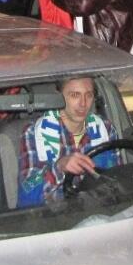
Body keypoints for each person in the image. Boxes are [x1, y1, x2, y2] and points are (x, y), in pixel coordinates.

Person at [17, 77, 121, 207]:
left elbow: (116, 178)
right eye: (75, 95)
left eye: (88, 95)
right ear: (58, 97)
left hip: (99, 207)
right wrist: (58, 168)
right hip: (55, 214)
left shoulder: (105, 129)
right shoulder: (34, 133)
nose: (83, 104)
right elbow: (27, 190)